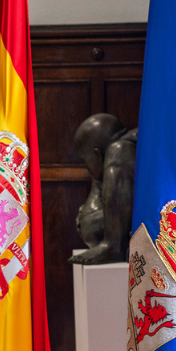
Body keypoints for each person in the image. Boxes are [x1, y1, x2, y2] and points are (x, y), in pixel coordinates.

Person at [68, 112, 137, 265]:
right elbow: (90, 228)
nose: (86, 168)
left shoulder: (120, 151)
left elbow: (91, 231)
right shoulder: (113, 163)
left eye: (85, 160)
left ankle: (114, 245)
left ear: (97, 155)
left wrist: (110, 243)